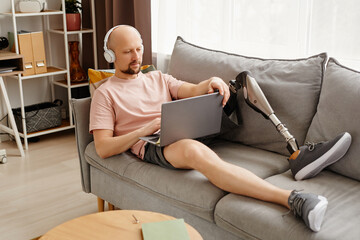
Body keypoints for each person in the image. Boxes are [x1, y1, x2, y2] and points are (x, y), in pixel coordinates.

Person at [90, 25, 352, 232]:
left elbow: (191, 90)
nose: (137, 57)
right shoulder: (106, 94)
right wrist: (145, 128)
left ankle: (297, 153)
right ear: (111, 56)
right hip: (155, 143)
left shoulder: (157, 77)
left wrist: (211, 82)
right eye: (128, 52)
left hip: (185, 126)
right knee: (193, 150)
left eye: (139, 48)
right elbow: (103, 147)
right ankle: (293, 199)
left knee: (241, 85)